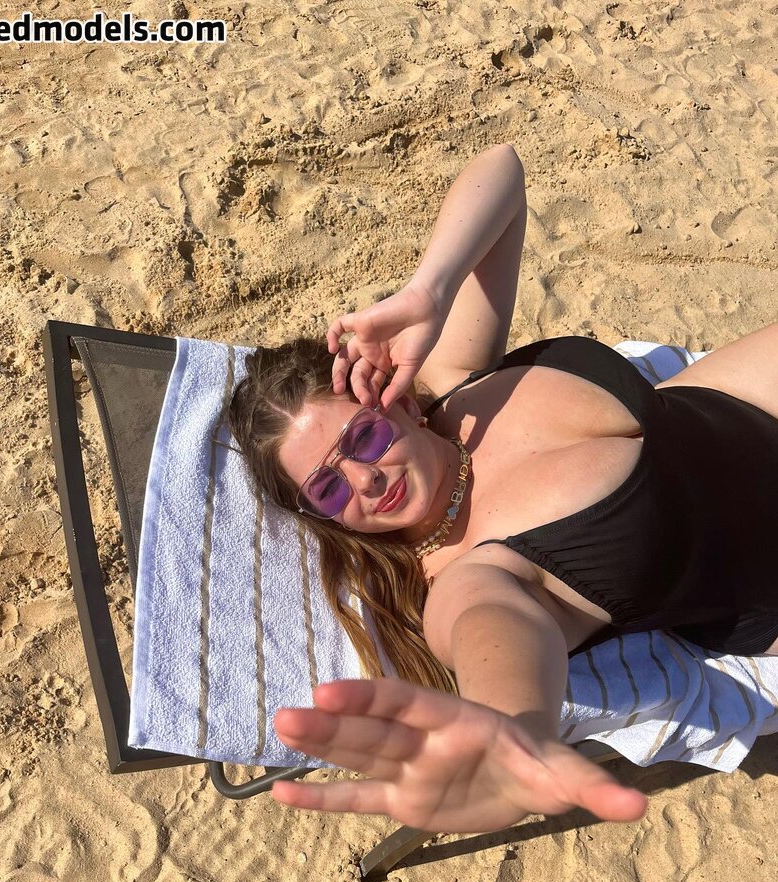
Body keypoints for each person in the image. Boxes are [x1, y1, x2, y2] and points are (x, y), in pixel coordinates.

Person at [227, 143, 778, 836]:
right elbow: (499, 643)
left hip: (737, 396)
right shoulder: (467, 578)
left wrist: (429, 290)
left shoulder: (454, 385)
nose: (365, 479)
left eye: (363, 438)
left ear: (394, 401)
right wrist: (509, 746)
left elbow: (504, 171)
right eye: (329, 490)